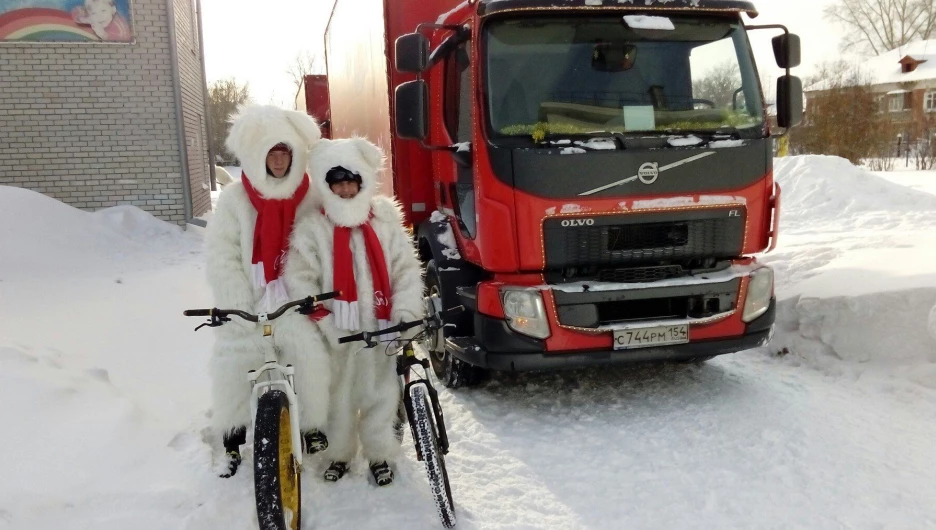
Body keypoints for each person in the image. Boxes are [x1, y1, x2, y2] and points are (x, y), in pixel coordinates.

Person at [285, 137, 424, 486]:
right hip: (339, 331)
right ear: (327, 185)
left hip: (381, 326)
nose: (345, 189)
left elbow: (406, 270)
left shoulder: (384, 222)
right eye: (337, 182)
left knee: (381, 393)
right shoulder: (313, 227)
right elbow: (300, 279)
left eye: (351, 181)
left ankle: (380, 455)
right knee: (339, 397)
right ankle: (340, 454)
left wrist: (405, 310)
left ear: (362, 181)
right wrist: (324, 320)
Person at [205, 104, 331, 477]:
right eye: (271, 153)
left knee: (309, 354)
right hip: (248, 295)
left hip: (295, 294)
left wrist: (314, 289)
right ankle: (232, 437)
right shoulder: (234, 199)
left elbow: (323, 246)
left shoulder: (311, 196)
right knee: (235, 360)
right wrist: (235, 299)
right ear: (257, 156)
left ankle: (310, 426)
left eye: (285, 152)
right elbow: (222, 252)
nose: (278, 160)